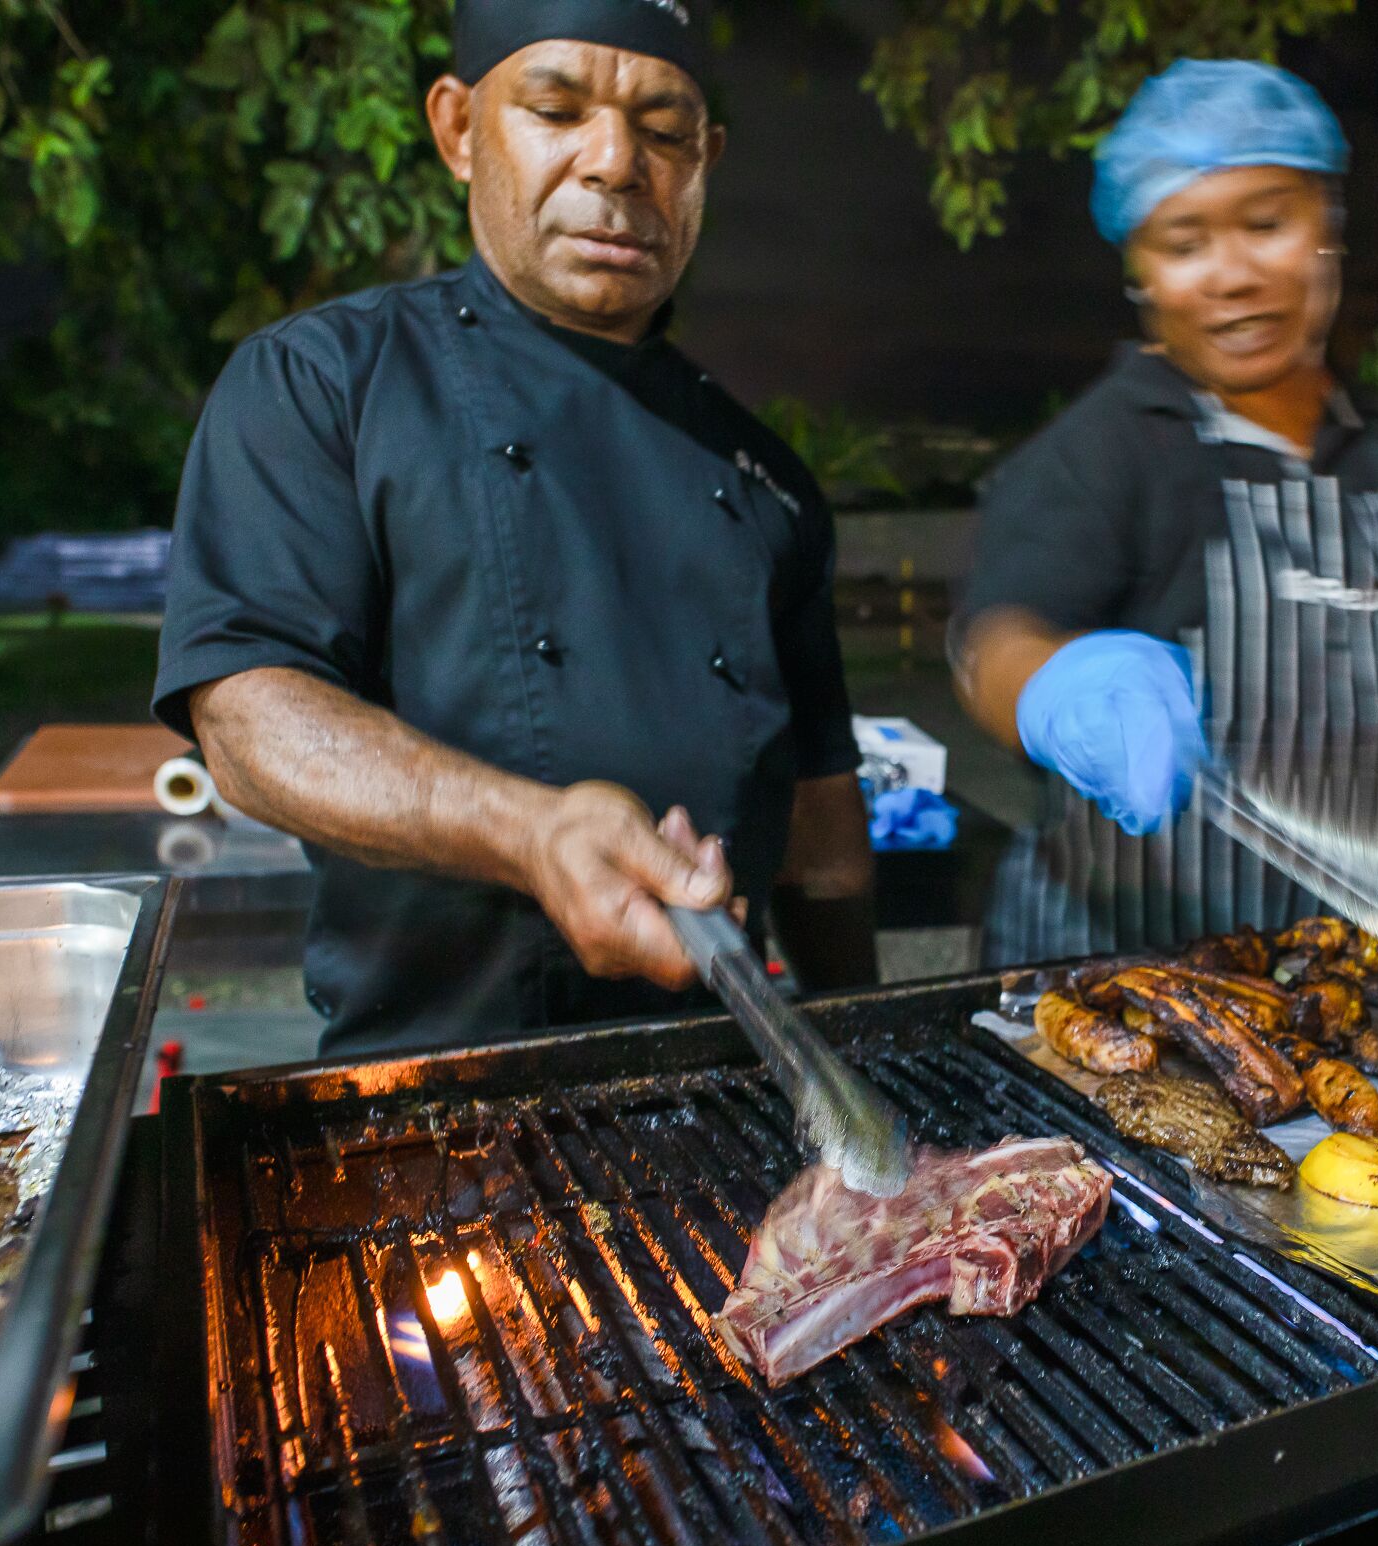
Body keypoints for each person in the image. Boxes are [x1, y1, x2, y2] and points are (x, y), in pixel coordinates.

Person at [153, 0, 875, 1055]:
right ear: (457, 128)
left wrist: (863, 1046)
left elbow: (821, 834)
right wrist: (532, 831)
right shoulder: (326, 383)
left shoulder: (763, 475)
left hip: (721, 1091)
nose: (617, 163)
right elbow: (249, 719)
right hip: (425, 1096)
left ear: (706, 161)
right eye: (555, 107)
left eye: (665, 130)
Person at [952, 58, 1378, 962]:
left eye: (1268, 224)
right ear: (1142, 274)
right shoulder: (1104, 449)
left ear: (1330, 227)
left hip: (1344, 984)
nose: (1232, 276)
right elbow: (993, 642)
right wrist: (1057, 688)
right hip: (1117, 978)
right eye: (1184, 242)